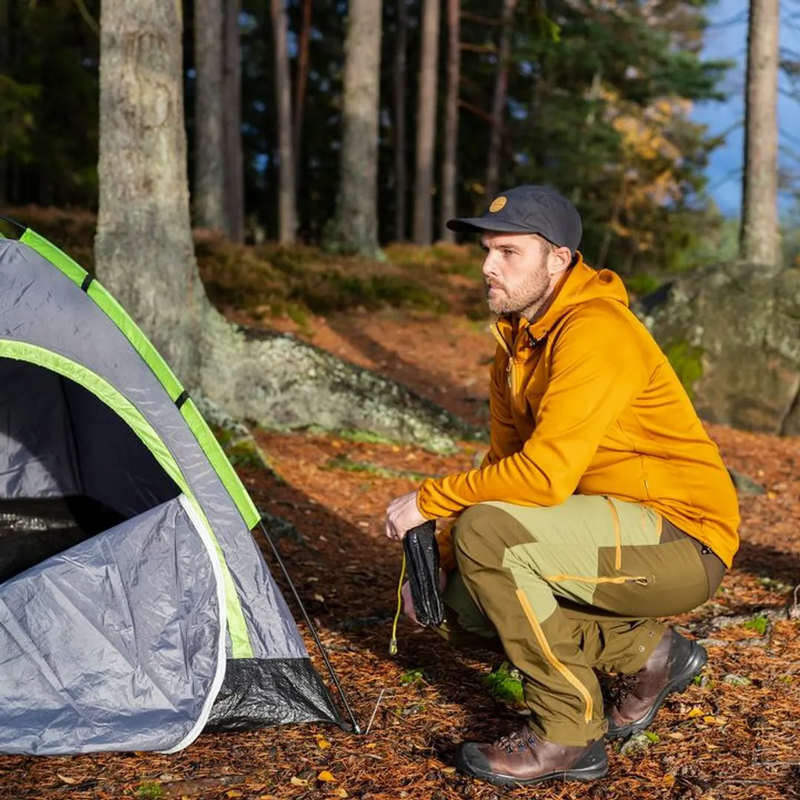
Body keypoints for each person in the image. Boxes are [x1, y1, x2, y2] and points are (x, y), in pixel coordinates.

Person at [384, 185, 739, 787]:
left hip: (681, 537)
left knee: (488, 535)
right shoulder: (517, 342)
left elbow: (543, 477)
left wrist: (427, 501)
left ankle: (568, 734)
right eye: (486, 250)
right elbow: (505, 462)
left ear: (559, 259)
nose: (487, 265)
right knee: (458, 605)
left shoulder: (597, 330)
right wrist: (441, 563)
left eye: (509, 252)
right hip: (599, 527)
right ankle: (649, 654)